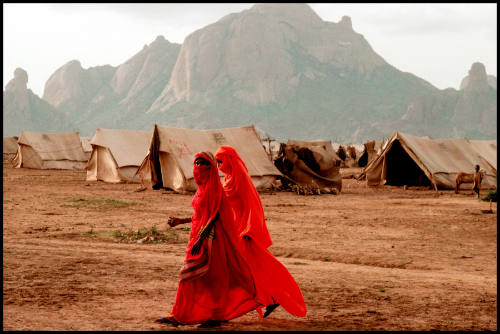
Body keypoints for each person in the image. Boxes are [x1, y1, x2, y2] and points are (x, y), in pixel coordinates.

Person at [156, 151, 262, 328]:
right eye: (195, 163)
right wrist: (180, 221)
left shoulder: (216, 191)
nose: (197, 168)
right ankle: (193, 314)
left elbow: (214, 217)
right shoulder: (202, 189)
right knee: (204, 279)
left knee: (191, 276)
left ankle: (184, 316)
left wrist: (201, 239)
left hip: (212, 243)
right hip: (197, 238)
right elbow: (200, 214)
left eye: (201, 164)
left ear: (210, 168)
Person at [215, 145, 307, 319]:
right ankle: (266, 299)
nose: (219, 165)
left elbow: (252, 203)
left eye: (221, 161)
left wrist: (251, 229)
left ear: (229, 160)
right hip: (233, 229)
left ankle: (272, 296)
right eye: (217, 161)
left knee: (252, 267)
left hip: (244, 231)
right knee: (243, 268)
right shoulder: (227, 179)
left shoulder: (241, 176)